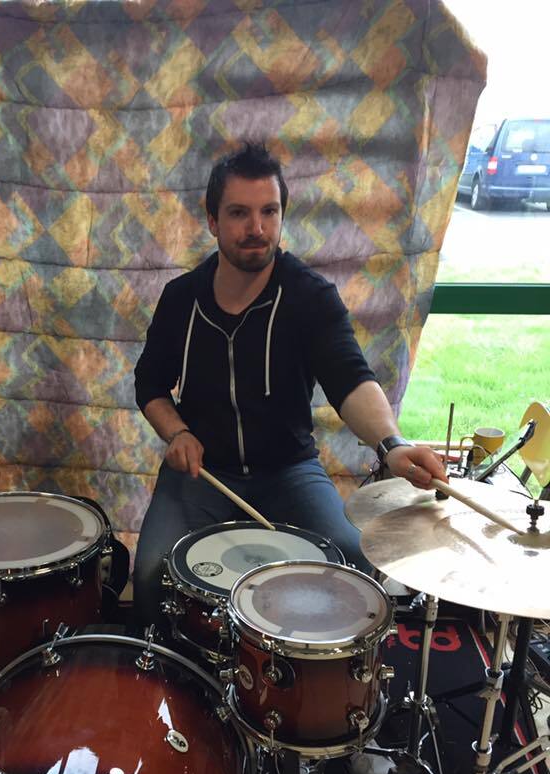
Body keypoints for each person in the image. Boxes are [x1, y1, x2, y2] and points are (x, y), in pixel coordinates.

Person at [133, 141, 446, 633]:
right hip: (202, 475)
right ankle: (168, 677)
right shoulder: (180, 299)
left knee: (352, 563)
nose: (257, 228)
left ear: (282, 215)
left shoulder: (309, 297)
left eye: (269, 211)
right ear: (212, 220)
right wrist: (177, 432)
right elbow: (149, 384)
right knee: (153, 573)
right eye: (239, 213)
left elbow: (350, 379)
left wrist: (392, 445)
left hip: (289, 470)